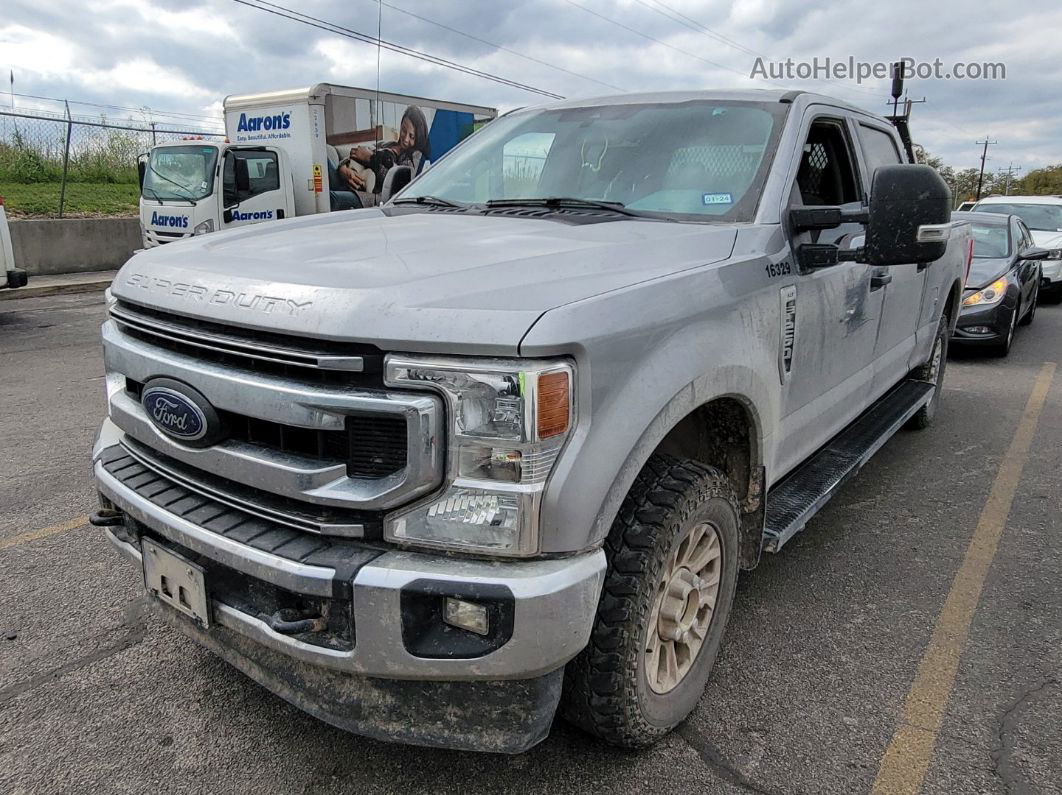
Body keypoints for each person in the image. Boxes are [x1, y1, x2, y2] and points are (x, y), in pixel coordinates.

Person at [341, 105, 431, 192]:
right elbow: (357, 152)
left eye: (412, 136)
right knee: (329, 152)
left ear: (419, 138)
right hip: (351, 177)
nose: (406, 139)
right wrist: (342, 169)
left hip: (368, 193)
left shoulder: (415, 157)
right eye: (403, 130)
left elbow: (397, 182)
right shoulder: (388, 144)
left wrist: (371, 158)